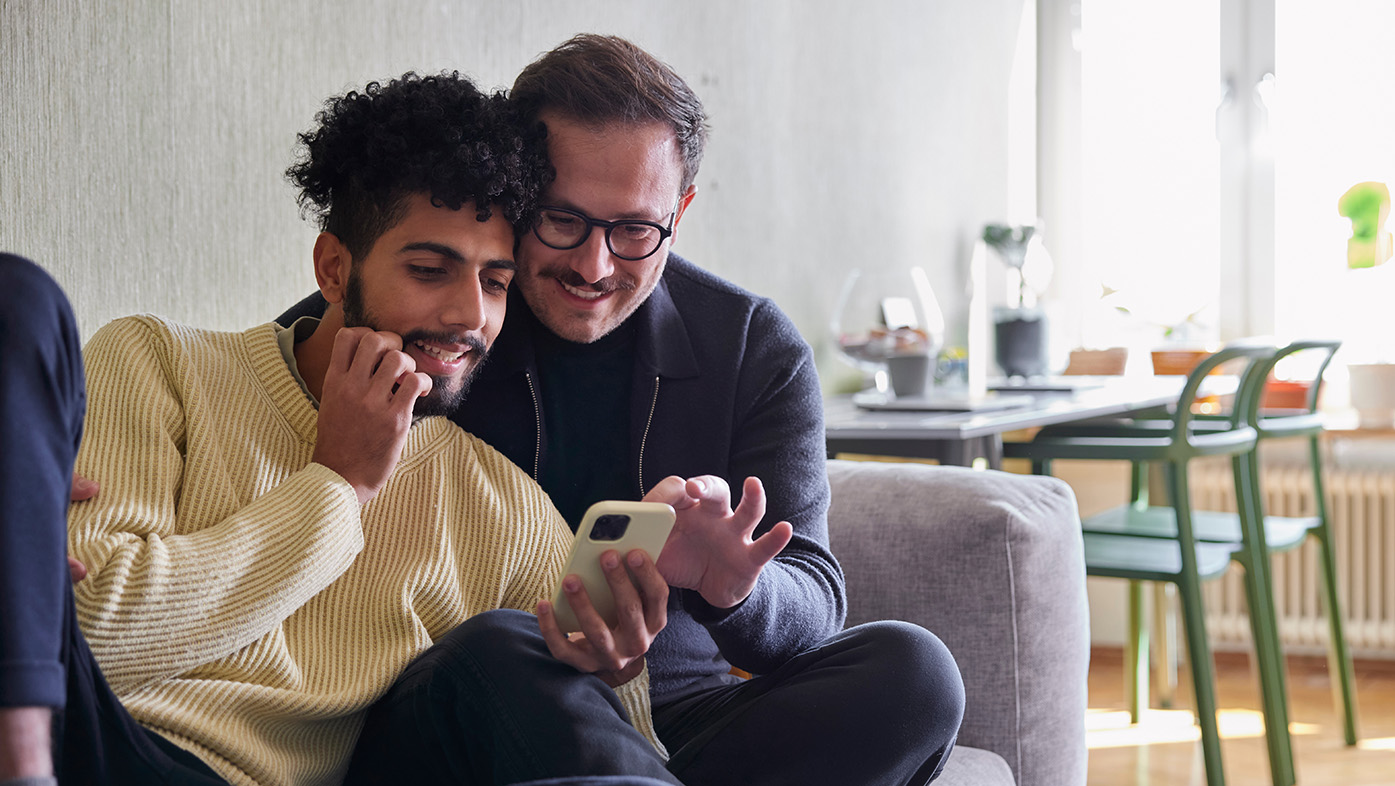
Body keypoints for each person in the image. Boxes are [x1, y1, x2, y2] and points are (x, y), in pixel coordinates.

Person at [1, 71, 742, 786]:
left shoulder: (501, 507)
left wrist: (616, 666)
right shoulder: (160, 363)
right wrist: (337, 485)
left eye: (494, 282)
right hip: (102, 747)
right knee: (19, 300)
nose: (468, 316)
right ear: (332, 269)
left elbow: (625, 751)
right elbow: (86, 632)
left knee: (507, 648)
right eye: (428, 269)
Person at [283, 34, 965, 785]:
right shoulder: (424, 320)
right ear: (517, 194)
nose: (593, 265)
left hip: (676, 716)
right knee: (507, 647)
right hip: (473, 706)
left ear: (682, 210)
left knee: (913, 672)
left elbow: (813, 602)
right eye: (562, 219)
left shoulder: (749, 346)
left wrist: (731, 587)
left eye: (635, 230)